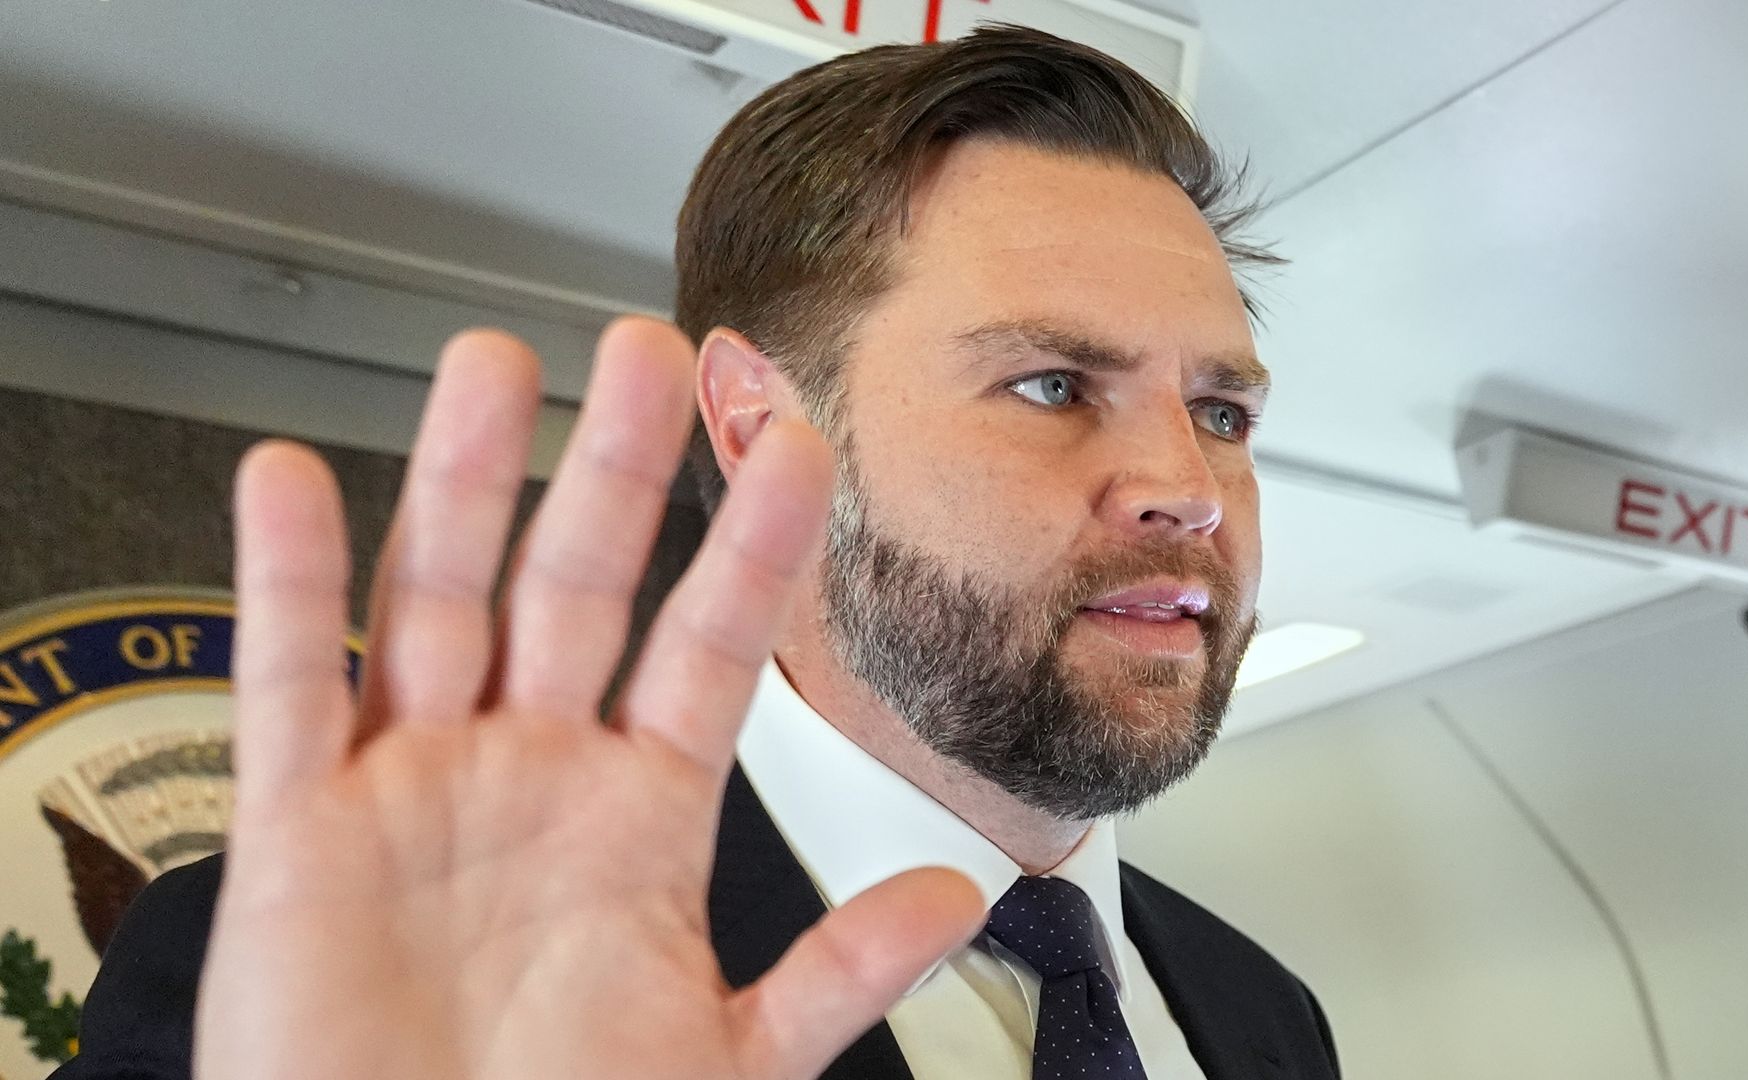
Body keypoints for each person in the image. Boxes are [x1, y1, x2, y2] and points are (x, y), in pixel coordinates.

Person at [53, 24, 1340, 1080]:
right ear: (758, 420)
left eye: (1223, 411)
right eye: (1055, 385)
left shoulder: (1265, 1016)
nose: (1191, 487)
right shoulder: (354, 970)